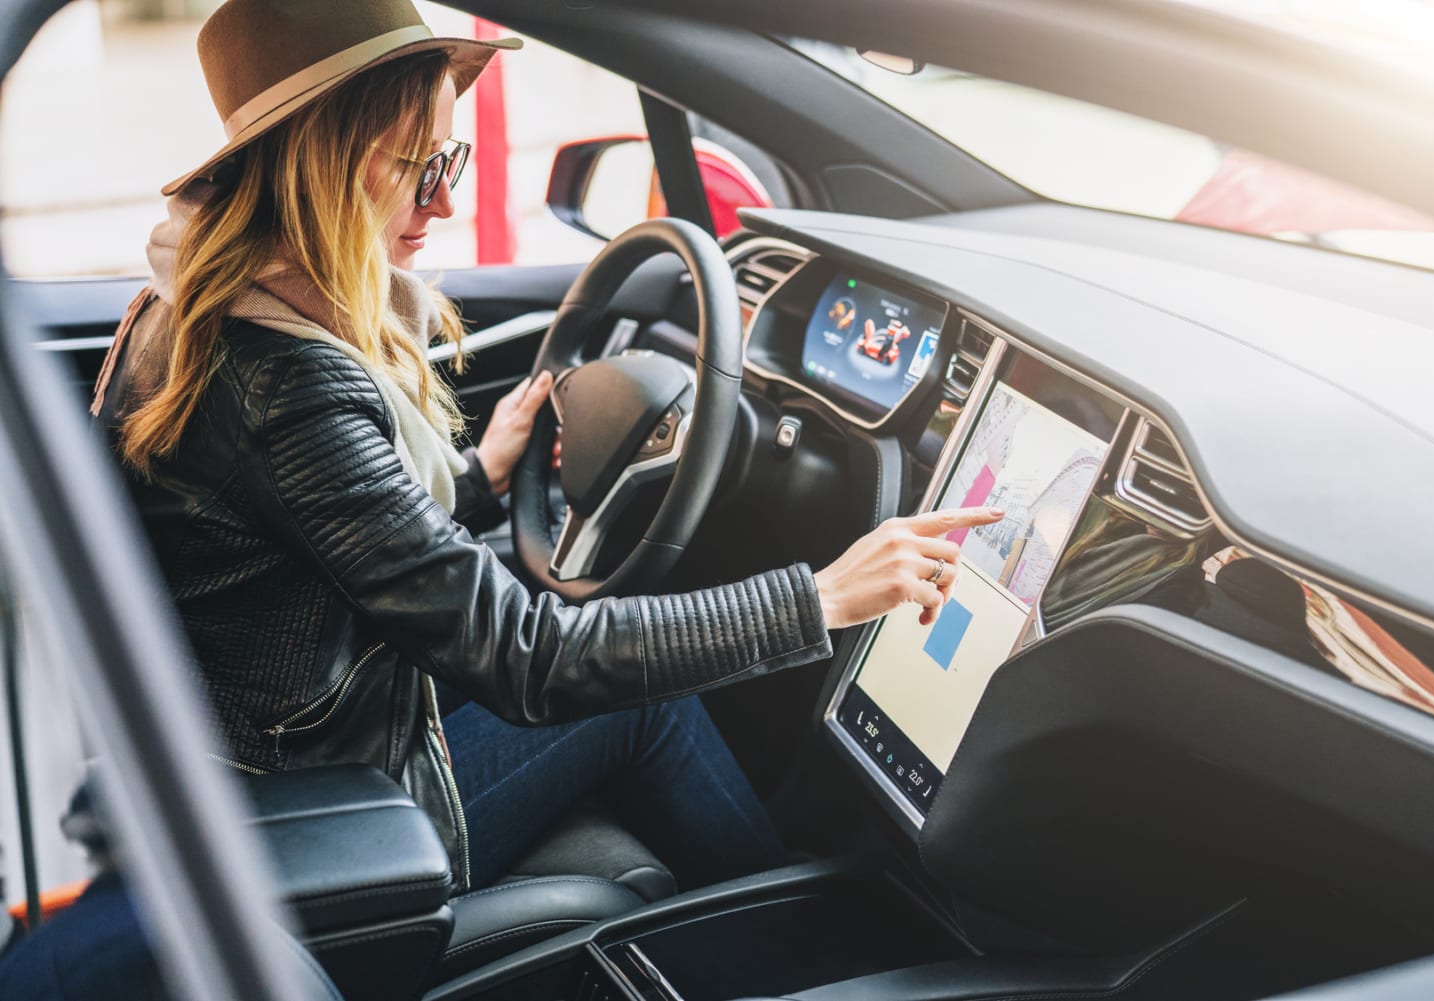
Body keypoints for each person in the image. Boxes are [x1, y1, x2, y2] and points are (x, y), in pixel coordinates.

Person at [91, 0, 999, 896]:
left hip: (255, 763)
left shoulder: (184, 309)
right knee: (645, 703)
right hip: (323, 823)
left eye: (453, 159)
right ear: (327, 168)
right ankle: (810, 949)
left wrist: (484, 479)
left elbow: (343, 549)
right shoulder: (286, 385)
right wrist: (822, 597)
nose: (444, 199)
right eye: (420, 166)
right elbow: (530, 658)